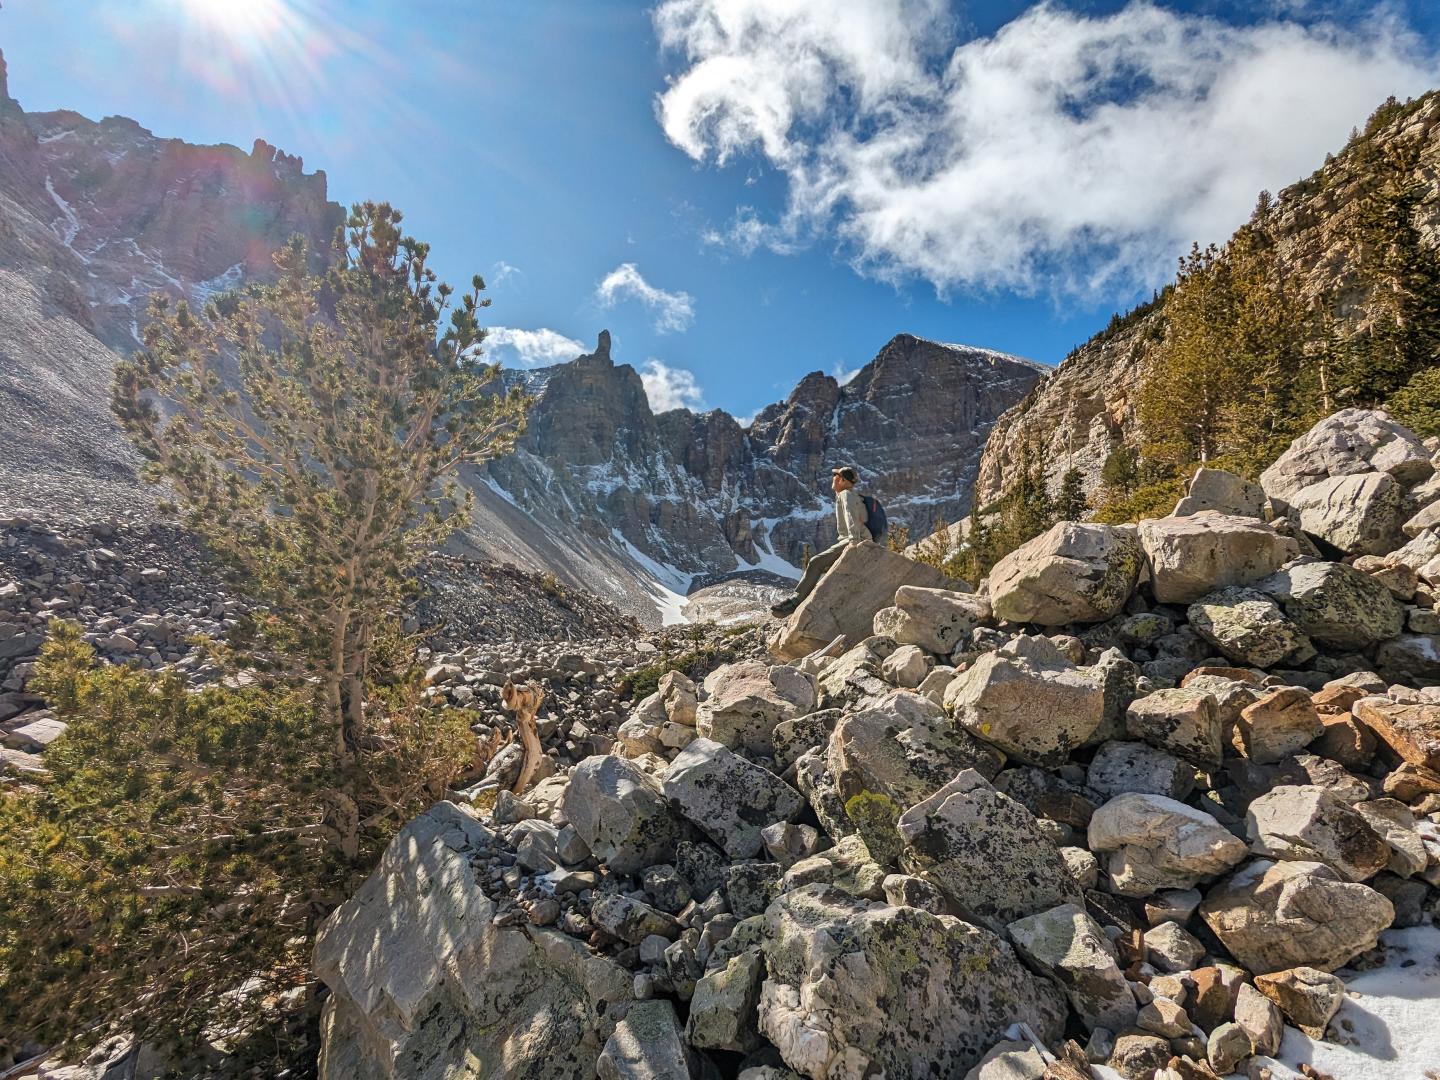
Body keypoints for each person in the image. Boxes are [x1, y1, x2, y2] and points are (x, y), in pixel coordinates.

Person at [769, 465, 883, 618]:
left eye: (835, 476)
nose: (833, 478)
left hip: (855, 539)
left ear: (842, 480)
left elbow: (851, 517)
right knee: (824, 568)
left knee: (816, 562)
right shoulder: (852, 495)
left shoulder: (846, 495)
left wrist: (854, 542)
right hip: (856, 539)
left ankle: (794, 602)